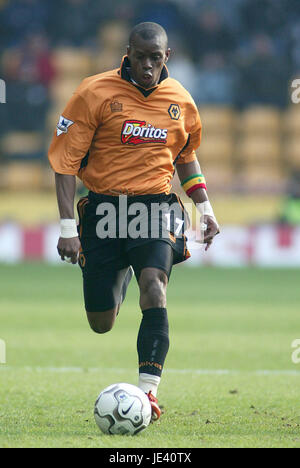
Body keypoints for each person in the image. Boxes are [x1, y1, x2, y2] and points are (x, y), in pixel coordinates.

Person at [48, 22, 219, 422]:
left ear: (167, 57)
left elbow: (186, 156)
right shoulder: (94, 92)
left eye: (155, 58)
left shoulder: (180, 100)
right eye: (140, 57)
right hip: (104, 209)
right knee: (101, 323)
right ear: (127, 53)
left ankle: (148, 395)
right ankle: (118, 273)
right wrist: (67, 228)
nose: (147, 66)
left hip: (155, 208)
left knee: (155, 287)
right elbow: (64, 163)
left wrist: (205, 208)